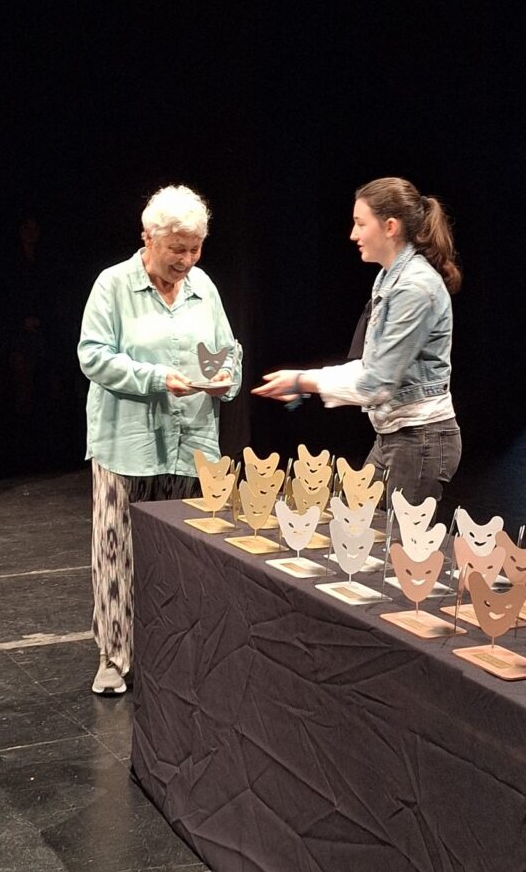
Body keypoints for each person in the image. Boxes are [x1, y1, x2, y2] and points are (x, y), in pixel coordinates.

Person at [78, 184, 242, 695]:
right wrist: (155, 378)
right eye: (177, 248)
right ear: (148, 238)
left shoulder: (203, 287)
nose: (187, 260)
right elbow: (93, 355)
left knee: (182, 553)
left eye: (195, 248)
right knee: (117, 553)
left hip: (191, 441)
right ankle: (114, 656)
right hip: (127, 443)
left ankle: (175, 651)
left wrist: (227, 377)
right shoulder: (113, 285)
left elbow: (228, 349)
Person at [252, 176, 462, 507]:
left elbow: (376, 385)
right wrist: (303, 378)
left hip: (420, 439)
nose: (353, 234)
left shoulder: (414, 288)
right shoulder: (388, 279)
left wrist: (304, 381)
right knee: (357, 524)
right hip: (397, 434)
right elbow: (370, 367)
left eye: (360, 223)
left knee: (394, 538)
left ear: (390, 227)